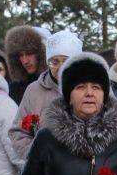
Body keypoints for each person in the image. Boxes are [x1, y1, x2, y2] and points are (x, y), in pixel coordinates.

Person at [10, 31, 82, 160]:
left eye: (66, 61)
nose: (60, 67)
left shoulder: (95, 86)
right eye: (54, 62)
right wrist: (36, 156)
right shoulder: (34, 91)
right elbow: (18, 132)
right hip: (46, 171)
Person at [4, 25, 46, 103]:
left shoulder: (53, 84)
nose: (25, 61)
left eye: (29, 53)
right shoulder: (14, 89)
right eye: (20, 55)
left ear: (40, 53)